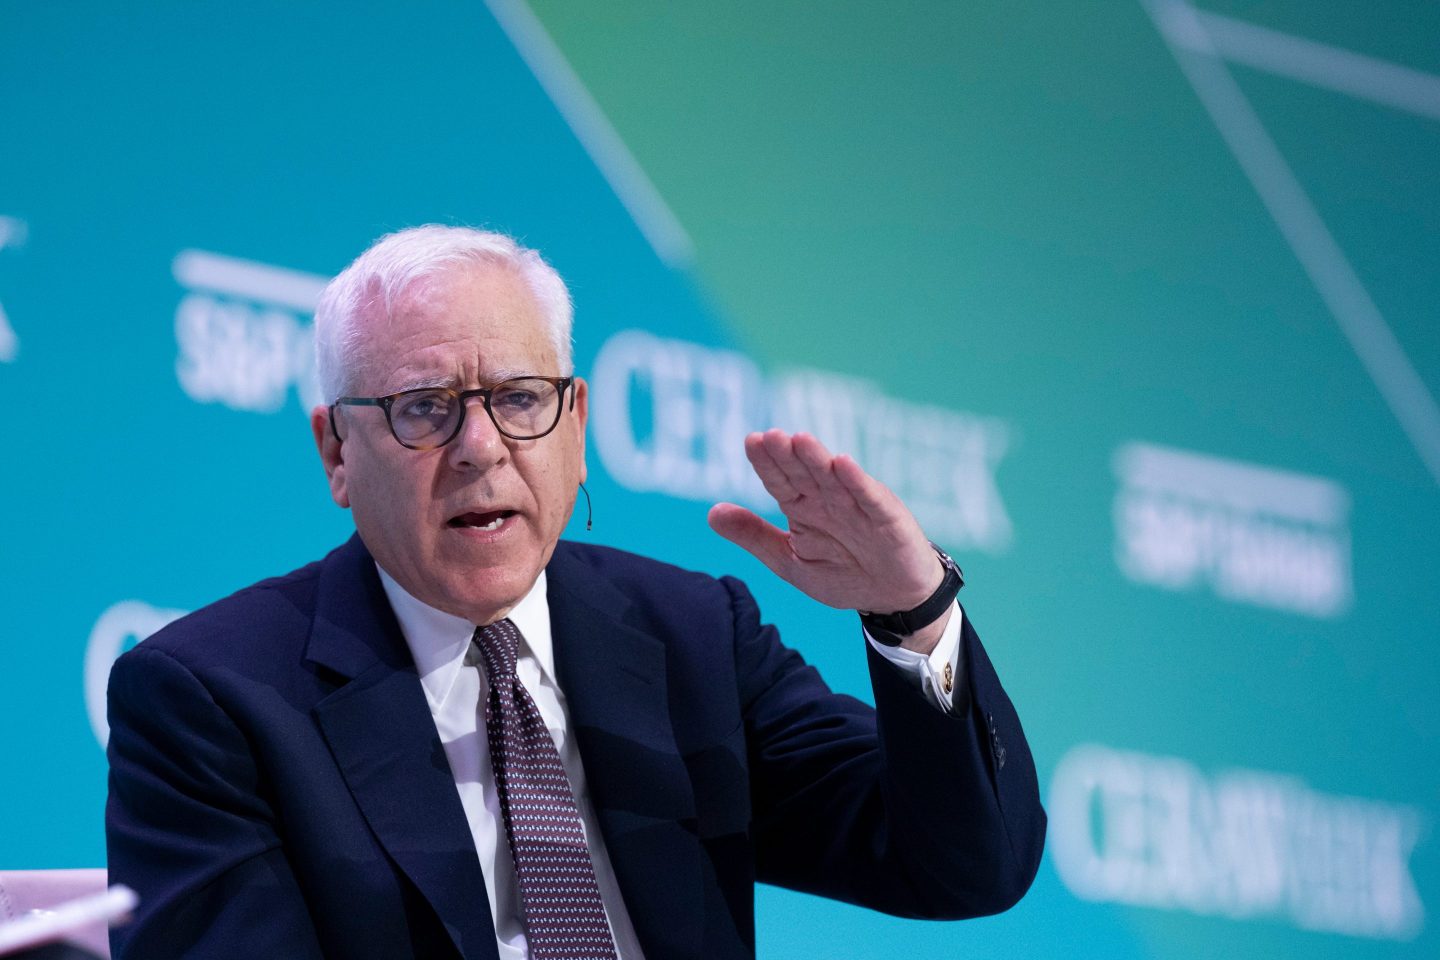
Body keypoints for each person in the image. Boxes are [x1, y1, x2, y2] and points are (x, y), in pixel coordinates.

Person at [105, 226, 1045, 959]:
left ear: (577, 424)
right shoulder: (216, 699)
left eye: (520, 399)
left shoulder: (693, 639)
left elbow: (968, 867)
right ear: (337, 453)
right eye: (423, 408)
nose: (480, 447)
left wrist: (914, 615)